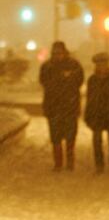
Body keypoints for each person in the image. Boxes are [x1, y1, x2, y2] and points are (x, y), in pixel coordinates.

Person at [39, 41, 84, 171]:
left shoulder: (74, 65)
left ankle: (70, 162)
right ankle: (58, 163)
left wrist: (63, 81)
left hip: (70, 106)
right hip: (53, 108)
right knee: (55, 137)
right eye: (55, 53)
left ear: (65, 52)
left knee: (71, 136)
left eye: (60, 52)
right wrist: (62, 80)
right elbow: (44, 82)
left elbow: (78, 81)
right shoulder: (47, 67)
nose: (58, 55)